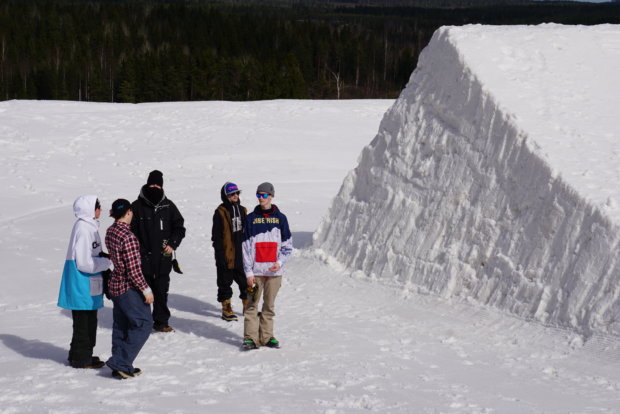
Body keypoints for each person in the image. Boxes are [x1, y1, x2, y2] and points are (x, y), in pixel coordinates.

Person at [57, 195, 111, 369]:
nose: (100, 210)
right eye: (98, 207)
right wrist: (106, 263)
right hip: (81, 283)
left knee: (89, 321)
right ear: (89, 209)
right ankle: (81, 359)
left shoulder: (90, 226)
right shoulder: (83, 228)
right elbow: (84, 262)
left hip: (89, 283)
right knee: (83, 323)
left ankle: (81, 354)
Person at [105, 199, 155, 379]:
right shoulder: (128, 237)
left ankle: (119, 364)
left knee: (122, 325)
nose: (132, 214)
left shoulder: (111, 231)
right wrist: (146, 290)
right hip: (128, 287)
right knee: (144, 324)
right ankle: (121, 361)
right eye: (131, 212)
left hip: (115, 285)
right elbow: (133, 271)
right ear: (127, 213)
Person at [131, 170, 186, 332]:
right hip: (143, 259)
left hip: (163, 259)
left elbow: (179, 227)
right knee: (142, 293)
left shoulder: (168, 206)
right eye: (152, 184)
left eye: (158, 185)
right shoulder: (136, 206)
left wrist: (173, 243)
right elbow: (130, 233)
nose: (154, 187)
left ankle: (161, 322)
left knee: (161, 292)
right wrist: (140, 251)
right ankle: (142, 323)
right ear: (147, 184)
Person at [242, 182, 293, 350]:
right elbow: (245, 247)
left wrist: (279, 263)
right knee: (251, 305)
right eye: (258, 195)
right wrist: (248, 272)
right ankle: (250, 338)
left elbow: (287, 246)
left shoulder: (281, 218)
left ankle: (267, 336)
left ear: (271, 196)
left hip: (274, 273)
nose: (261, 198)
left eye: (264, 195)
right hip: (256, 272)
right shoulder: (250, 219)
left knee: (269, 306)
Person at [212, 182, 248, 321]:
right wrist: (220, 255)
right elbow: (216, 236)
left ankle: (247, 305)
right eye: (232, 194)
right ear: (225, 196)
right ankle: (226, 308)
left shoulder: (243, 210)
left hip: (241, 253)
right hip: (227, 253)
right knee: (224, 282)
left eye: (237, 193)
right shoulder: (220, 212)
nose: (235, 196)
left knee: (245, 282)